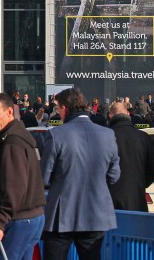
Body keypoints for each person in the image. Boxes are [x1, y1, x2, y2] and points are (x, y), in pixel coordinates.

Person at [40, 87, 121, 260]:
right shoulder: (107, 135)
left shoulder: (56, 135)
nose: (58, 112)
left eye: (57, 108)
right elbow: (114, 176)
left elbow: (43, 177)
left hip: (62, 214)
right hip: (95, 212)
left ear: (65, 108)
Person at [0, 93, 45, 260]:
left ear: (9, 112)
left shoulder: (12, 143)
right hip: (29, 216)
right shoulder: (18, 137)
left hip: (19, 219)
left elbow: (15, 187)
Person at [106, 101, 154, 212]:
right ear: (128, 114)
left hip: (109, 203)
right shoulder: (142, 137)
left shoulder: (104, 137)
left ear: (110, 116)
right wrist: (139, 183)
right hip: (136, 202)